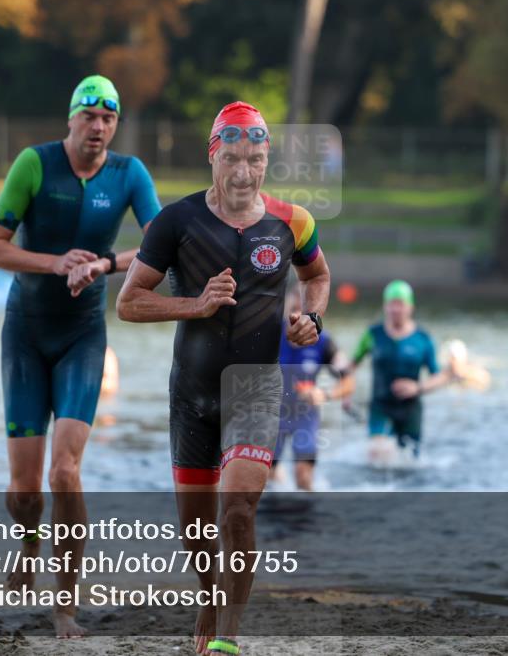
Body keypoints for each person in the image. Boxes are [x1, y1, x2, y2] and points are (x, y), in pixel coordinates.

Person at [116, 101, 331, 656]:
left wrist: (311, 318)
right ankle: (210, 598)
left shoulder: (293, 221)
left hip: (256, 388)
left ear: (267, 160)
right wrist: (196, 305)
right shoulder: (176, 222)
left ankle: (228, 640)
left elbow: (318, 275)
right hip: (191, 393)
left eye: (255, 159)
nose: (244, 172)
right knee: (196, 533)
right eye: (232, 158)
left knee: (237, 510)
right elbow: (129, 303)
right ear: (213, 155)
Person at [0, 75, 161, 638]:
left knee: (66, 471)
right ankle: (29, 538)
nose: (99, 128)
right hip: (26, 334)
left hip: (83, 335)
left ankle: (64, 608)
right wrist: (56, 262)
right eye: (91, 117)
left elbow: (162, 244)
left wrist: (103, 265)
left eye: (109, 119)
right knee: (25, 490)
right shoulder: (35, 164)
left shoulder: (129, 174)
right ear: (71, 120)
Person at [351, 280, 457, 457]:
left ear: (410, 307)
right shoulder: (372, 335)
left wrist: (418, 387)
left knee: (408, 463)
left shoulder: (423, 339)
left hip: (410, 410)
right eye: (391, 304)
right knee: (378, 452)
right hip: (380, 406)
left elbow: (439, 377)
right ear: (385, 306)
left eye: (400, 304)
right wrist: (345, 393)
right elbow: (352, 366)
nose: (395, 309)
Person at [272, 284, 353, 491]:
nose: (297, 312)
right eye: (294, 303)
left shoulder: (324, 342)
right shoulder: (270, 336)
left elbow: (348, 380)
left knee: (303, 477)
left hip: (305, 416)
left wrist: (324, 394)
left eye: (304, 304)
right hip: (273, 414)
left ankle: (306, 520)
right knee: (267, 477)